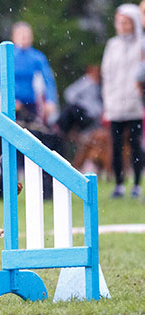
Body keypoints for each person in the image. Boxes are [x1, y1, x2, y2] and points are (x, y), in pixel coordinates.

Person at [102, 4, 144, 198]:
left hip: (135, 105)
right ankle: (119, 183)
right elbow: (107, 74)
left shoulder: (141, 45)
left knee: (136, 144)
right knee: (116, 146)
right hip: (115, 103)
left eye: (125, 22)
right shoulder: (113, 45)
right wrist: (108, 100)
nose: (121, 26)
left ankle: (136, 183)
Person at [3, 22, 58, 127]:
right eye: (20, 35)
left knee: (34, 133)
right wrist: (10, 100)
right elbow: (1, 81)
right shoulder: (7, 55)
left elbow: (48, 80)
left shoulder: (37, 57)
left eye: (27, 36)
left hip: (30, 102)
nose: (24, 38)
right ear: (13, 37)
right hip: (11, 104)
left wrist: (50, 100)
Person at [55, 65, 102, 135]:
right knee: (69, 110)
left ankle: (58, 129)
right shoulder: (87, 82)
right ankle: (59, 129)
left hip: (91, 116)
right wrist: (79, 103)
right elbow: (69, 93)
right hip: (82, 112)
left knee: (70, 110)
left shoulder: (99, 86)